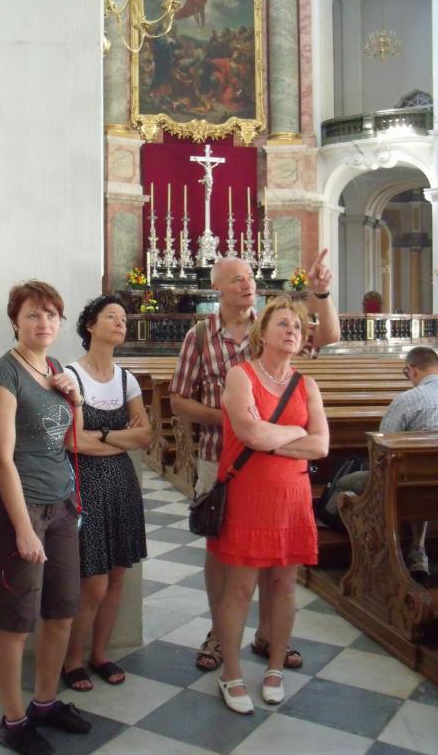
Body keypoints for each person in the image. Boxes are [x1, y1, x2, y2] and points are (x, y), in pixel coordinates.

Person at [169, 251, 339, 673]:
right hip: (222, 459)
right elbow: (178, 400)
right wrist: (232, 419)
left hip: (279, 466)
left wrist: (320, 294)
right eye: (237, 279)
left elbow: (328, 336)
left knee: (274, 554)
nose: (248, 284)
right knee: (223, 552)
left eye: (249, 277)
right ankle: (218, 633)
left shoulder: (274, 324)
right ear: (216, 287)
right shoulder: (200, 336)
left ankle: (268, 634)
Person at [0, 281, 90, 755]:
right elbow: (2, 459)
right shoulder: (3, 375)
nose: (43, 322)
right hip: (20, 510)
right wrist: (24, 529)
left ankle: (45, 702)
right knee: (17, 621)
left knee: (62, 611)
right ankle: (14, 719)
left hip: (62, 505)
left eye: (51, 315)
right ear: (15, 322)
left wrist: (76, 399)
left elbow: (71, 438)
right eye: (32, 314)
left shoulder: (56, 369)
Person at [212, 296, 329, 712]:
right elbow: (251, 435)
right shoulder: (240, 376)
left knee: (283, 588)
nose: (292, 331)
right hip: (249, 497)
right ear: (262, 332)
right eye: (283, 324)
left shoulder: (306, 385)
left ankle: (275, 668)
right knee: (240, 589)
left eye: (297, 326)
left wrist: (275, 437)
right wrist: (296, 432)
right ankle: (230, 673)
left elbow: (321, 445)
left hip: (292, 499)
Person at [62, 295, 150, 691]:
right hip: (87, 485)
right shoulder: (72, 376)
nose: (120, 323)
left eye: (124, 319)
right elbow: (73, 442)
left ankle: (99, 654)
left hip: (122, 485)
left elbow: (144, 435)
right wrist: (117, 437)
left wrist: (99, 434)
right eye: (111, 317)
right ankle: (71, 660)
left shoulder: (126, 379)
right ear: (90, 325)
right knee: (93, 584)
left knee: (117, 578)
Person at [336, 345, 438, 581]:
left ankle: (373, 551)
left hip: (408, 485)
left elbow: (381, 449)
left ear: (412, 371)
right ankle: (417, 548)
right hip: (424, 481)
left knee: (345, 483)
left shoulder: (408, 400)